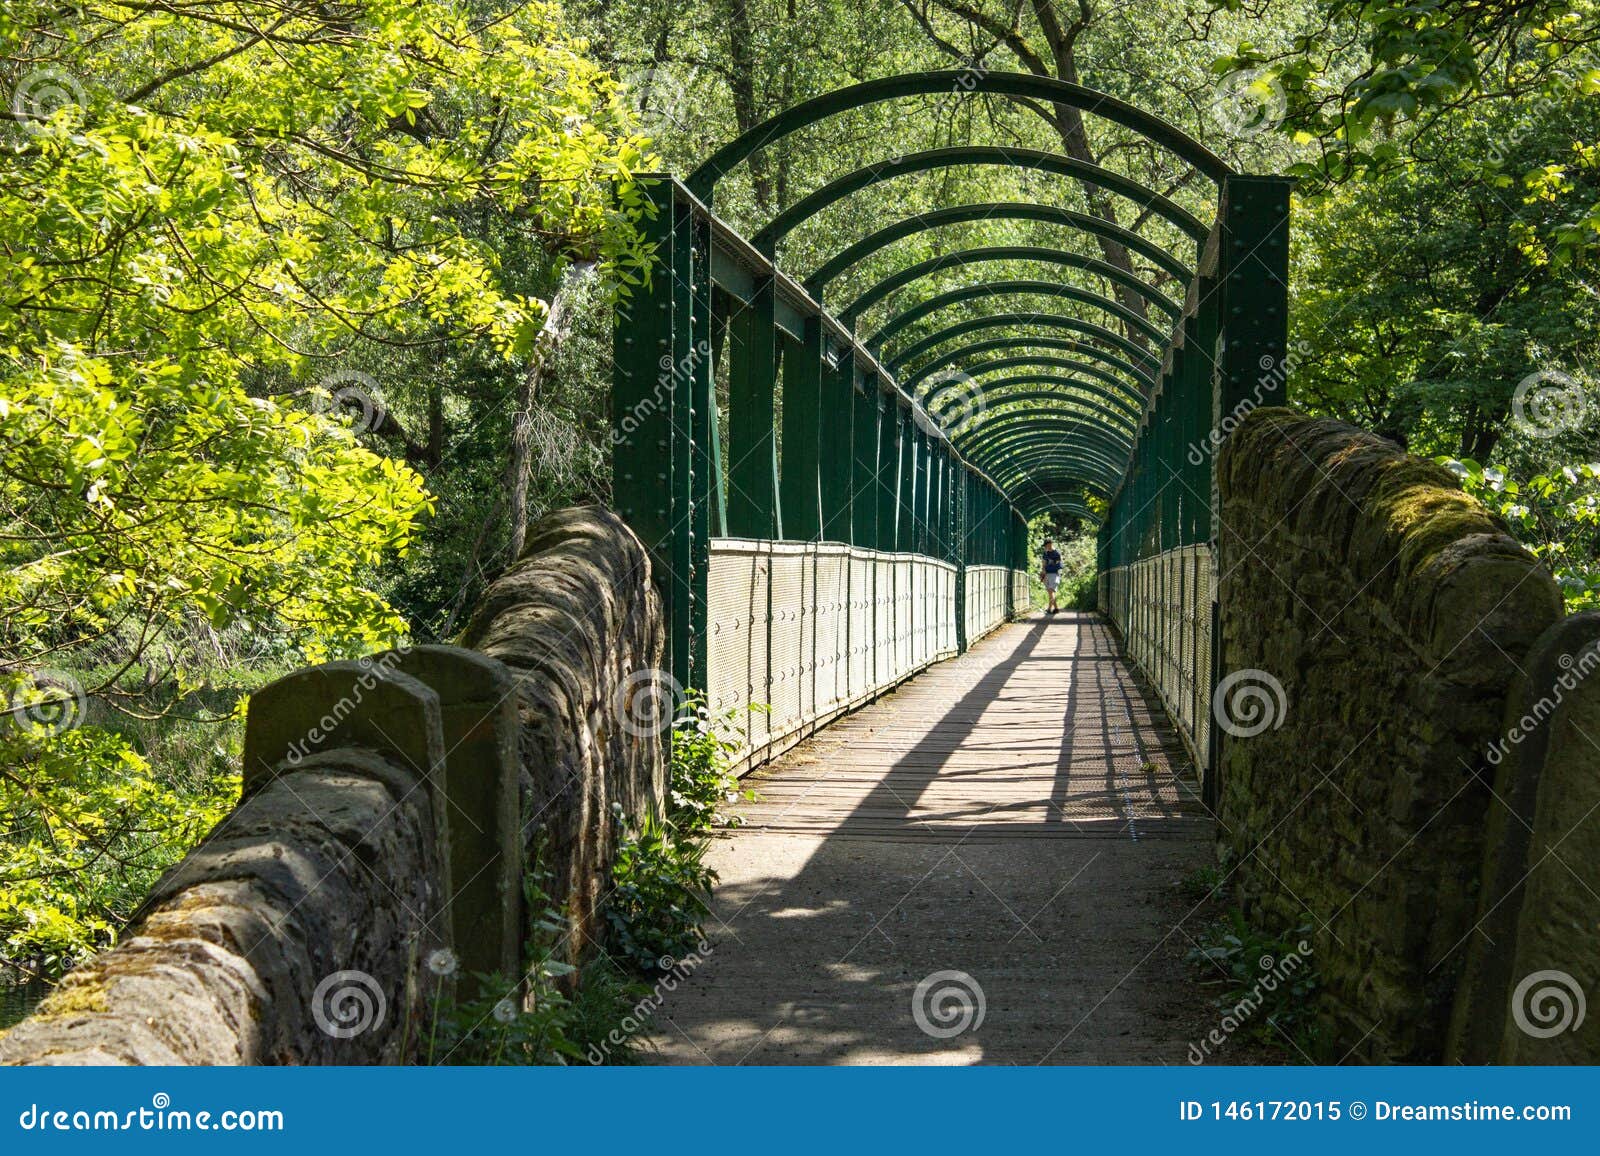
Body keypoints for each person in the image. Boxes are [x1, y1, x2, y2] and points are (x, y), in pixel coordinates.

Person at [1040, 539, 1062, 615]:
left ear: (1050, 544)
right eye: (1045, 545)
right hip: (1047, 574)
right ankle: (1056, 609)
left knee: (1050, 591)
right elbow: (1044, 564)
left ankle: (1049, 609)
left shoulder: (1057, 553)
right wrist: (1043, 573)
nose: (1045, 547)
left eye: (1046, 545)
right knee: (1050, 592)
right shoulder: (1045, 553)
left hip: (1054, 574)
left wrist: (1058, 575)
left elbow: (1058, 565)